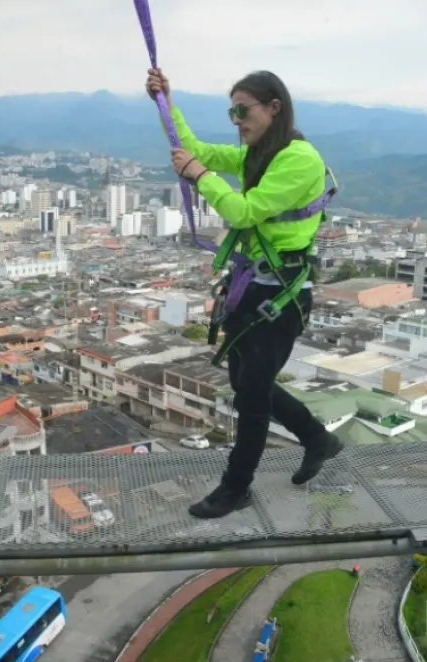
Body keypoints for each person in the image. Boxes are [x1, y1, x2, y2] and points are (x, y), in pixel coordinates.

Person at [145, 68, 344, 519]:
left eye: (243, 110)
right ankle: (317, 438)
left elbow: (243, 210)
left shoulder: (299, 159)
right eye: (232, 111)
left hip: (281, 296)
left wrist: (200, 177)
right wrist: (165, 102)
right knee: (246, 384)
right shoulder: (258, 154)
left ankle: (235, 488)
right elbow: (194, 151)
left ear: (274, 108)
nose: (236, 120)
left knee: (251, 397)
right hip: (253, 288)